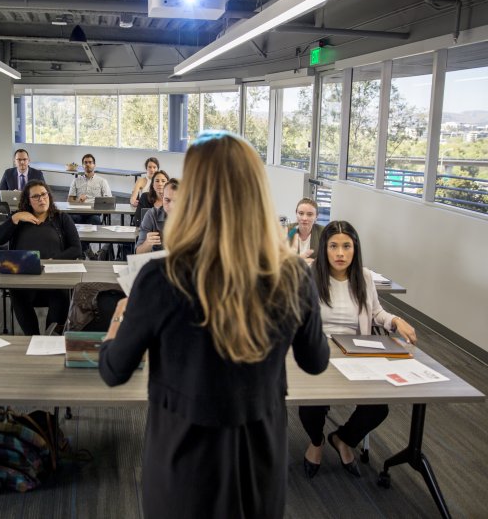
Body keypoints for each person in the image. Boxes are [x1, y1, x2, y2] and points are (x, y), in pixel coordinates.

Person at [98, 132, 329, 518]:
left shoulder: (160, 278)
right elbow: (315, 361)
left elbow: (114, 370)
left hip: (183, 462)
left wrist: (118, 320)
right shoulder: (292, 276)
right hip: (260, 461)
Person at [299, 221, 417, 479]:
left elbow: (376, 313)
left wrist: (395, 320)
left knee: (378, 407)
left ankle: (342, 439)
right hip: (317, 351)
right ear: (324, 249)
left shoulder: (362, 277)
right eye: (333, 246)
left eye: (346, 246)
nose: (340, 253)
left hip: (354, 352)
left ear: (355, 249)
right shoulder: (309, 275)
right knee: (310, 404)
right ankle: (316, 442)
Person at [0, 180, 81, 335]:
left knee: (61, 296)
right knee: (16, 293)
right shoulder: (20, 219)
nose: (41, 199)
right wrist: (16, 218)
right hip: (25, 277)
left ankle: (50, 338)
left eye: (44, 194)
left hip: (53, 277)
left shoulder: (61, 218)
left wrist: (54, 260)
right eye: (36, 196)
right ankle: (32, 338)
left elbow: (76, 249)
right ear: (28, 200)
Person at [67, 154, 111, 258]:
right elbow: (69, 200)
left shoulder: (102, 181)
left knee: (95, 220)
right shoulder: (76, 180)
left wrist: (95, 202)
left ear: (94, 165)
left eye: (90, 162)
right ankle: (88, 251)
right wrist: (78, 200)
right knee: (70, 220)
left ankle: (82, 250)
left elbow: (108, 200)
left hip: (93, 212)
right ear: (82, 165)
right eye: (85, 163)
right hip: (78, 211)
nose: (88, 165)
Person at [136, 178, 178, 254]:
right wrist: (147, 243)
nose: (171, 206)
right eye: (167, 200)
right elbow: (138, 253)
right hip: (158, 263)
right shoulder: (151, 215)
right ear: (162, 198)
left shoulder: (193, 218)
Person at [286, 197, 323, 263]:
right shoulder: (287, 230)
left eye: (309, 214)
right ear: (296, 214)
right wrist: (299, 261)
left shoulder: (323, 232)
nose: (304, 218)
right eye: (301, 213)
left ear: (316, 217)